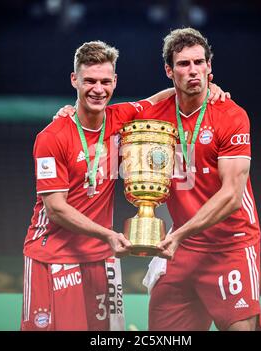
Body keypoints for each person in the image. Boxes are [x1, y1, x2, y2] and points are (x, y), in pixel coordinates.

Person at [21, 40, 184, 331]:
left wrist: (211, 90)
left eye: (105, 81)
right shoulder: (52, 136)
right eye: (90, 81)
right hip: (53, 256)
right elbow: (56, 209)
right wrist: (107, 235)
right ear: (75, 80)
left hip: (100, 257)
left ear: (115, 81)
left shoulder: (122, 118)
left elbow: (163, 98)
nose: (98, 89)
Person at [139, 27, 261, 331]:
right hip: (183, 249)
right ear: (169, 71)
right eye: (183, 64)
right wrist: (71, 111)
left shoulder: (231, 115)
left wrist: (179, 235)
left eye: (199, 62)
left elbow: (232, 196)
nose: (193, 70)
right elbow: (107, 115)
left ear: (210, 67)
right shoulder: (156, 112)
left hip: (230, 246)